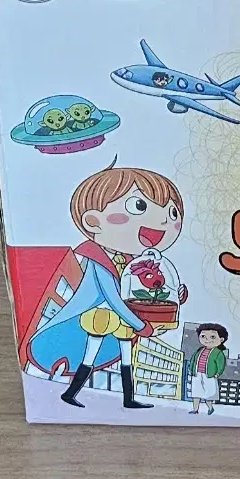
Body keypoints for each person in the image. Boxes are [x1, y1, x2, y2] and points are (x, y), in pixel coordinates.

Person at [28, 162, 187, 410]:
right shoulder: (97, 259)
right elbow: (112, 297)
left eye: (173, 213)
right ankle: (70, 393)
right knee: (89, 355)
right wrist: (141, 326)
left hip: (123, 320)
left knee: (126, 359)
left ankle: (128, 399)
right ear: (93, 222)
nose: (164, 221)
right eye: (139, 206)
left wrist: (176, 295)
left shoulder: (135, 262)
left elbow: (141, 291)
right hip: (99, 316)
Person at [187, 323, 227, 415]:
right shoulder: (199, 350)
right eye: (203, 336)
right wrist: (191, 369)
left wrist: (217, 373)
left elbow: (221, 364)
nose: (207, 339)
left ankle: (210, 408)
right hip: (197, 374)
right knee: (196, 392)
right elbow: (193, 360)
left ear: (221, 340)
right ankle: (195, 409)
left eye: (212, 337)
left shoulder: (218, 352)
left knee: (208, 393)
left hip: (209, 375)